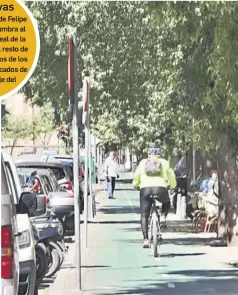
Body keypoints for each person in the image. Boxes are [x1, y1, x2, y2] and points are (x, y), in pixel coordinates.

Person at [132, 146, 177, 248]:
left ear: (149, 154)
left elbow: (137, 175)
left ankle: (146, 240)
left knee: (144, 215)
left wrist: (135, 185)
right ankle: (162, 217)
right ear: (159, 154)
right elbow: (171, 175)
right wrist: (173, 186)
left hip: (145, 189)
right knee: (166, 202)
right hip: (160, 188)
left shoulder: (143, 162)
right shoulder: (164, 162)